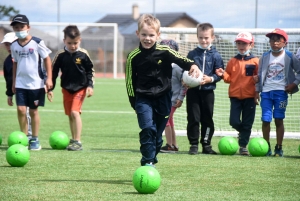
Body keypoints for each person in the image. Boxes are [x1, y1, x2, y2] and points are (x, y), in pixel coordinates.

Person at [125, 14, 201, 167]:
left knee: (158, 137)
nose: (147, 38)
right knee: (147, 129)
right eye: (144, 34)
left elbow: (181, 59)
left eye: (151, 35)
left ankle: (152, 157)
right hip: (143, 99)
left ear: (158, 35)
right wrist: (135, 103)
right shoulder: (133, 57)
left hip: (163, 98)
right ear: (137, 34)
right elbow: (129, 83)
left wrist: (192, 65)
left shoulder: (165, 51)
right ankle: (147, 162)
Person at [47, 25, 94, 151]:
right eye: (69, 43)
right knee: (70, 115)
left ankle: (78, 141)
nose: (73, 46)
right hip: (66, 89)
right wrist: (50, 89)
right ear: (64, 41)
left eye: (75, 43)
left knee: (75, 112)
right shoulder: (60, 55)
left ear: (80, 40)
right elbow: (54, 73)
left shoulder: (83, 54)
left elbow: (90, 71)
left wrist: (90, 85)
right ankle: (73, 139)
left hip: (80, 87)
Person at [10, 14, 53, 150]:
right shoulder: (14, 45)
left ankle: (35, 138)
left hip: (36, 84)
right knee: (21, 109)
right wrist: (14, 81)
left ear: (28, 27)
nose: (19, 29)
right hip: (20, 83)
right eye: (16, 27)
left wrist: (49, 78)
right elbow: (15, 63)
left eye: (21, 27)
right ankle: (25, 137)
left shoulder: (37, 42)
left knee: (33, 111)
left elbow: (47, 59)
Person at [255, 28, 300, 157]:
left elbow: (299, 72)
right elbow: (259, 75)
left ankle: (279, 147)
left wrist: (294, 84)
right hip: (266, 93)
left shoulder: (289, 56)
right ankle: (266, 146)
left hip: (281, 93)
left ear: (285, 42)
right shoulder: (264, 56)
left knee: (279, 119)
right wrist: (256, 91)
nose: (274, 43)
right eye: (272, 40)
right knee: (265, 120)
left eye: (278, 40)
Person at [215, 32, 259, 156]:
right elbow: (229, 78)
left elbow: (259, 78)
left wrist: (257, 90)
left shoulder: (256, 61)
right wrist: (222, 74)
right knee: (233, 121)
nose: (241, 46)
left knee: (247, 122)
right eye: (239, 43)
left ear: (251, 44)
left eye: (244, 43)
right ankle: (243, 132)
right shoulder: (232, 61)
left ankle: (243, 146)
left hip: (250, 96)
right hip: (235, 96)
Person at [185, 23, 224, 155]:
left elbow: (219, 74)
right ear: (197, 37)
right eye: (201, 37)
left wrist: (210, 79)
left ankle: (206, 144)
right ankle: (193, 144)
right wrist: (186, 81)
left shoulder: (216, 55)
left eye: (206, 38)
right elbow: (185, 71)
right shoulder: (191, 54)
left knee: (207, 118)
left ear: (212, 37)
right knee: (193, 117)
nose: (204, 40)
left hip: (208, 92)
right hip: (193, 92)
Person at [1, 32, 33, 139]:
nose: (9, 47)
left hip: (29, 88)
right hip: (18, 91)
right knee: (21, 112)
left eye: (10, 44)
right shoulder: (7, 62)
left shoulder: (25, 56)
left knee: (27, 112)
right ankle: (25, 134)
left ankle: (30, 135)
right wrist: (9, 95)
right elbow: (8, 80)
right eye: (6, 44)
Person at [159, 39, 187, 153]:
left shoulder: (177, 67)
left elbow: (184, 84)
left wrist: (180, 98)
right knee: (170, 121)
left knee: (165, 121)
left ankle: (169, 145)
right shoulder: (164, 65)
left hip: (172, 99)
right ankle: (174, 144)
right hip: (166, 98)